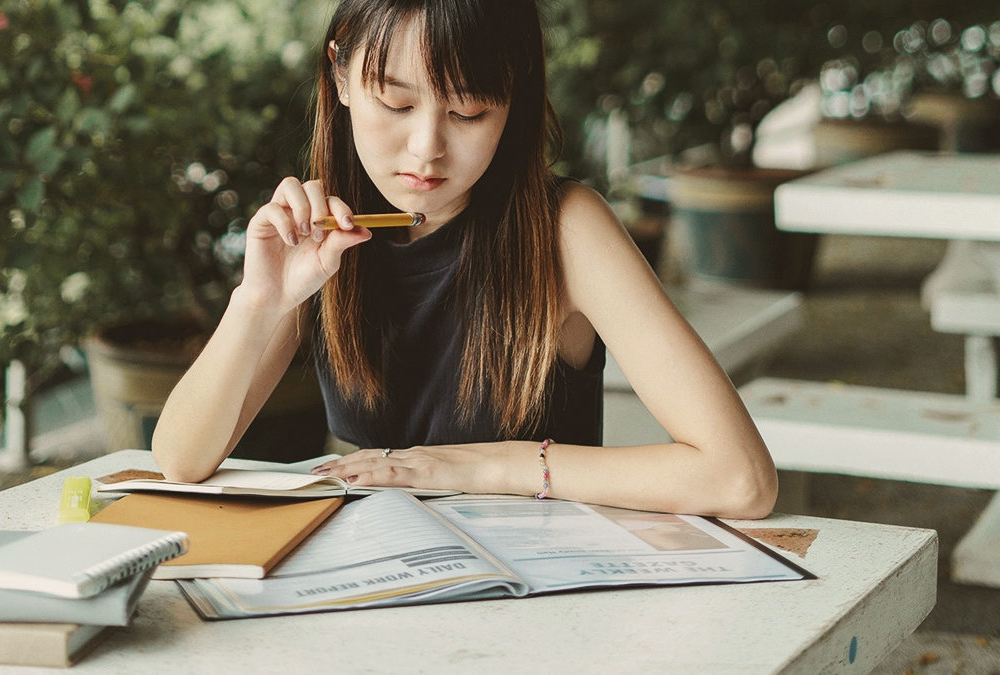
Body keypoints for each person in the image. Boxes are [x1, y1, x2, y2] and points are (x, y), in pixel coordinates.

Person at [152, 0, 777, 519]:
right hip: (382, 580)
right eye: (396, 103)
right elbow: (181, 460)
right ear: (339, 75)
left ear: (514, 98)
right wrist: (261, 302)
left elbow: (739, 478)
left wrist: (485, 464)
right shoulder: (322, 231)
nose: (427, 148)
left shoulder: (566, 229)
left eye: (469, 110)